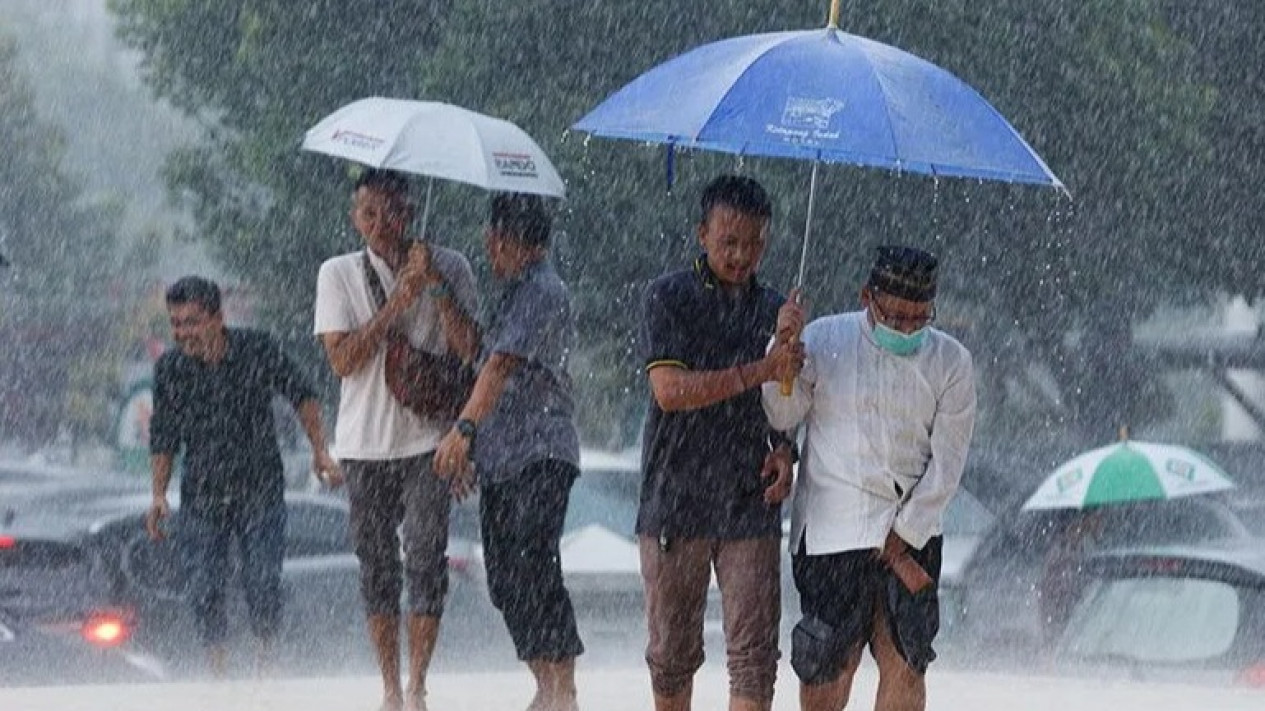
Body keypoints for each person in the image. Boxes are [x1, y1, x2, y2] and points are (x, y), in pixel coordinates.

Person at [761, 245, 977, 711]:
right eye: (895, 316)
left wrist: (905, 535)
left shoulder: (952, 362)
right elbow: (782, 413)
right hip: (831, 533)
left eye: (918, 319)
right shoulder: (821, 339)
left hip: (911, 534)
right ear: (867, 298)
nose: (905, 328)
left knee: (906, 662)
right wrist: (780, 359)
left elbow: (947, 464)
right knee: (826, 668)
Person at [634, 174, 804, 711]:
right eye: (728, 242)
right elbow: (669, 392)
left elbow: (787, 403)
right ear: (701, 234)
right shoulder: (669, 297)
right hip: (674, 496)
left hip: (748, 499)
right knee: (670, 655)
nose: (740, 255)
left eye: (753, 243)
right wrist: (760, 368)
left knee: (755, 657)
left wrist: (786, 449)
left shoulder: (776, 309)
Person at [313, 169, 480, 711]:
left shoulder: (449, 265)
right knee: (376, 562)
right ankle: (388, 685)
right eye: (370, 214)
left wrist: (432, 285)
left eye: (393, 211)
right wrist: (397, 302)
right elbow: (343, 360)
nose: (383, 224)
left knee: (427, 557)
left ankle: (418, 685)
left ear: (411, 210)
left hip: (429, 442)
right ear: (355, 218)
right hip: (363, 444)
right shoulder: (337, 273)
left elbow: (469, 351)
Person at [146, 275, 342, 677]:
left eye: (192, 322)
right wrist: (158, 494)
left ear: (218, 318)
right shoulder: (170, 369)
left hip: (260, 490)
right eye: (176, 323)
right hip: (202, 495)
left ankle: (265, 665)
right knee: (204, 588)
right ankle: (218, 672)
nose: (183, 333)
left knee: (262, 580)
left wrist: (320, 449)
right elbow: (163, 436)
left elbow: (302, 394)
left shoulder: (257, 350)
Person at [432, 192, 584, 711]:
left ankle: (563, 689)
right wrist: (437, 289)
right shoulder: (512, 292)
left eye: (492, 240)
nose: (487, 249)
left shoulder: (542, 290)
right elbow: (477, 353)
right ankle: (546, 682)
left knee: (533, 561)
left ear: (503, 238)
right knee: (503, 578)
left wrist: (462, 432)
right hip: (502, 455)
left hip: (540, 451)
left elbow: (498, 368)